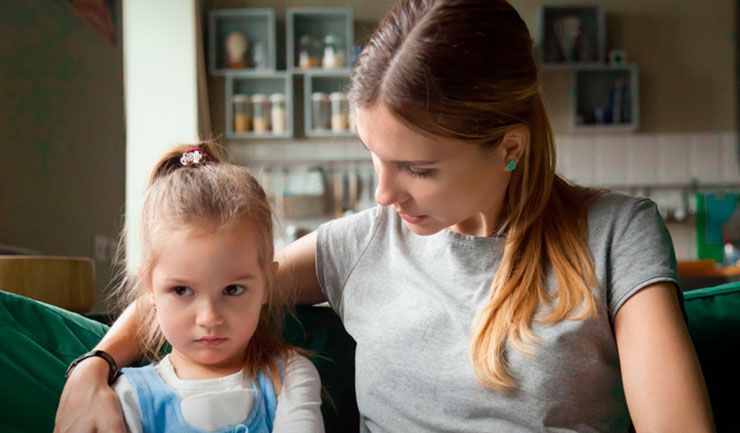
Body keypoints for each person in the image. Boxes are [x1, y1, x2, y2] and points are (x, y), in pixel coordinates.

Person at [55, 0, 714, 432]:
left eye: (419, 169)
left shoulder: (616, 234)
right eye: (375, 157)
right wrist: (93, 365)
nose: (384, 195)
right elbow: (202, 283)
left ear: (508, 147)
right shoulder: (360, 244)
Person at [64, 143, 324, 433]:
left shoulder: (289, 377)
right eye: (182, 291)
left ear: (267, 285)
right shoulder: (128, 396)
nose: (209, 317)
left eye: (233, 290)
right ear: (149, 288)